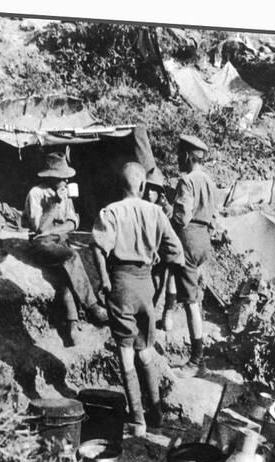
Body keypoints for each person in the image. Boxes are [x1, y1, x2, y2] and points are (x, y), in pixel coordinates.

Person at [92, 162, 184, 436]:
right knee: (145, 349)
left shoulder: (111, 212)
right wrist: (159, 275)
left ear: (120, 185)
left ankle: (138, 420)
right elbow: (175, 251)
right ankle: (156, 414)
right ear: (143, 187)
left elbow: (97, 247)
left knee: (125, 350)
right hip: (146, 286)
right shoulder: (156, 212)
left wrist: (105, 280)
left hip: (121, 282)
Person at [23, 152, 108, 346]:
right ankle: (92, 306)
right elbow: (40, 229)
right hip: (42, 245)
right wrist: (54, 205)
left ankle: (71, 325)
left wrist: (57, 229)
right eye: (62, 177)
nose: (66, 180)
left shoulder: (65, 192)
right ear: (50, 176)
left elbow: (73, 223)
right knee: (71, 257)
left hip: (59, 240)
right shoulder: (36, 194)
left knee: (67, 276)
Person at [170, 135, 217, 378]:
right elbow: (213, 215)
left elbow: (182, 217)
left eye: (180, 154)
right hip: (204, 241)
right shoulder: (209, 180)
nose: (178, 158)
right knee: (195, 298)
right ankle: (167, 316)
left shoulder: (187, 180)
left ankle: (196, 361)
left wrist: (167, 219)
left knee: (190, 304)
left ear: (188, 156)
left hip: (188, 239)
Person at [143, 170, 177, 330]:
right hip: (145, 253)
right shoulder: (142, 206)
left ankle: (166, 313)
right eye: (148, 189)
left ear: (160, 193)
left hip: (161, 253)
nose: (150, 193)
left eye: (154, 190)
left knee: (164, 280)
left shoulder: (165, 210)